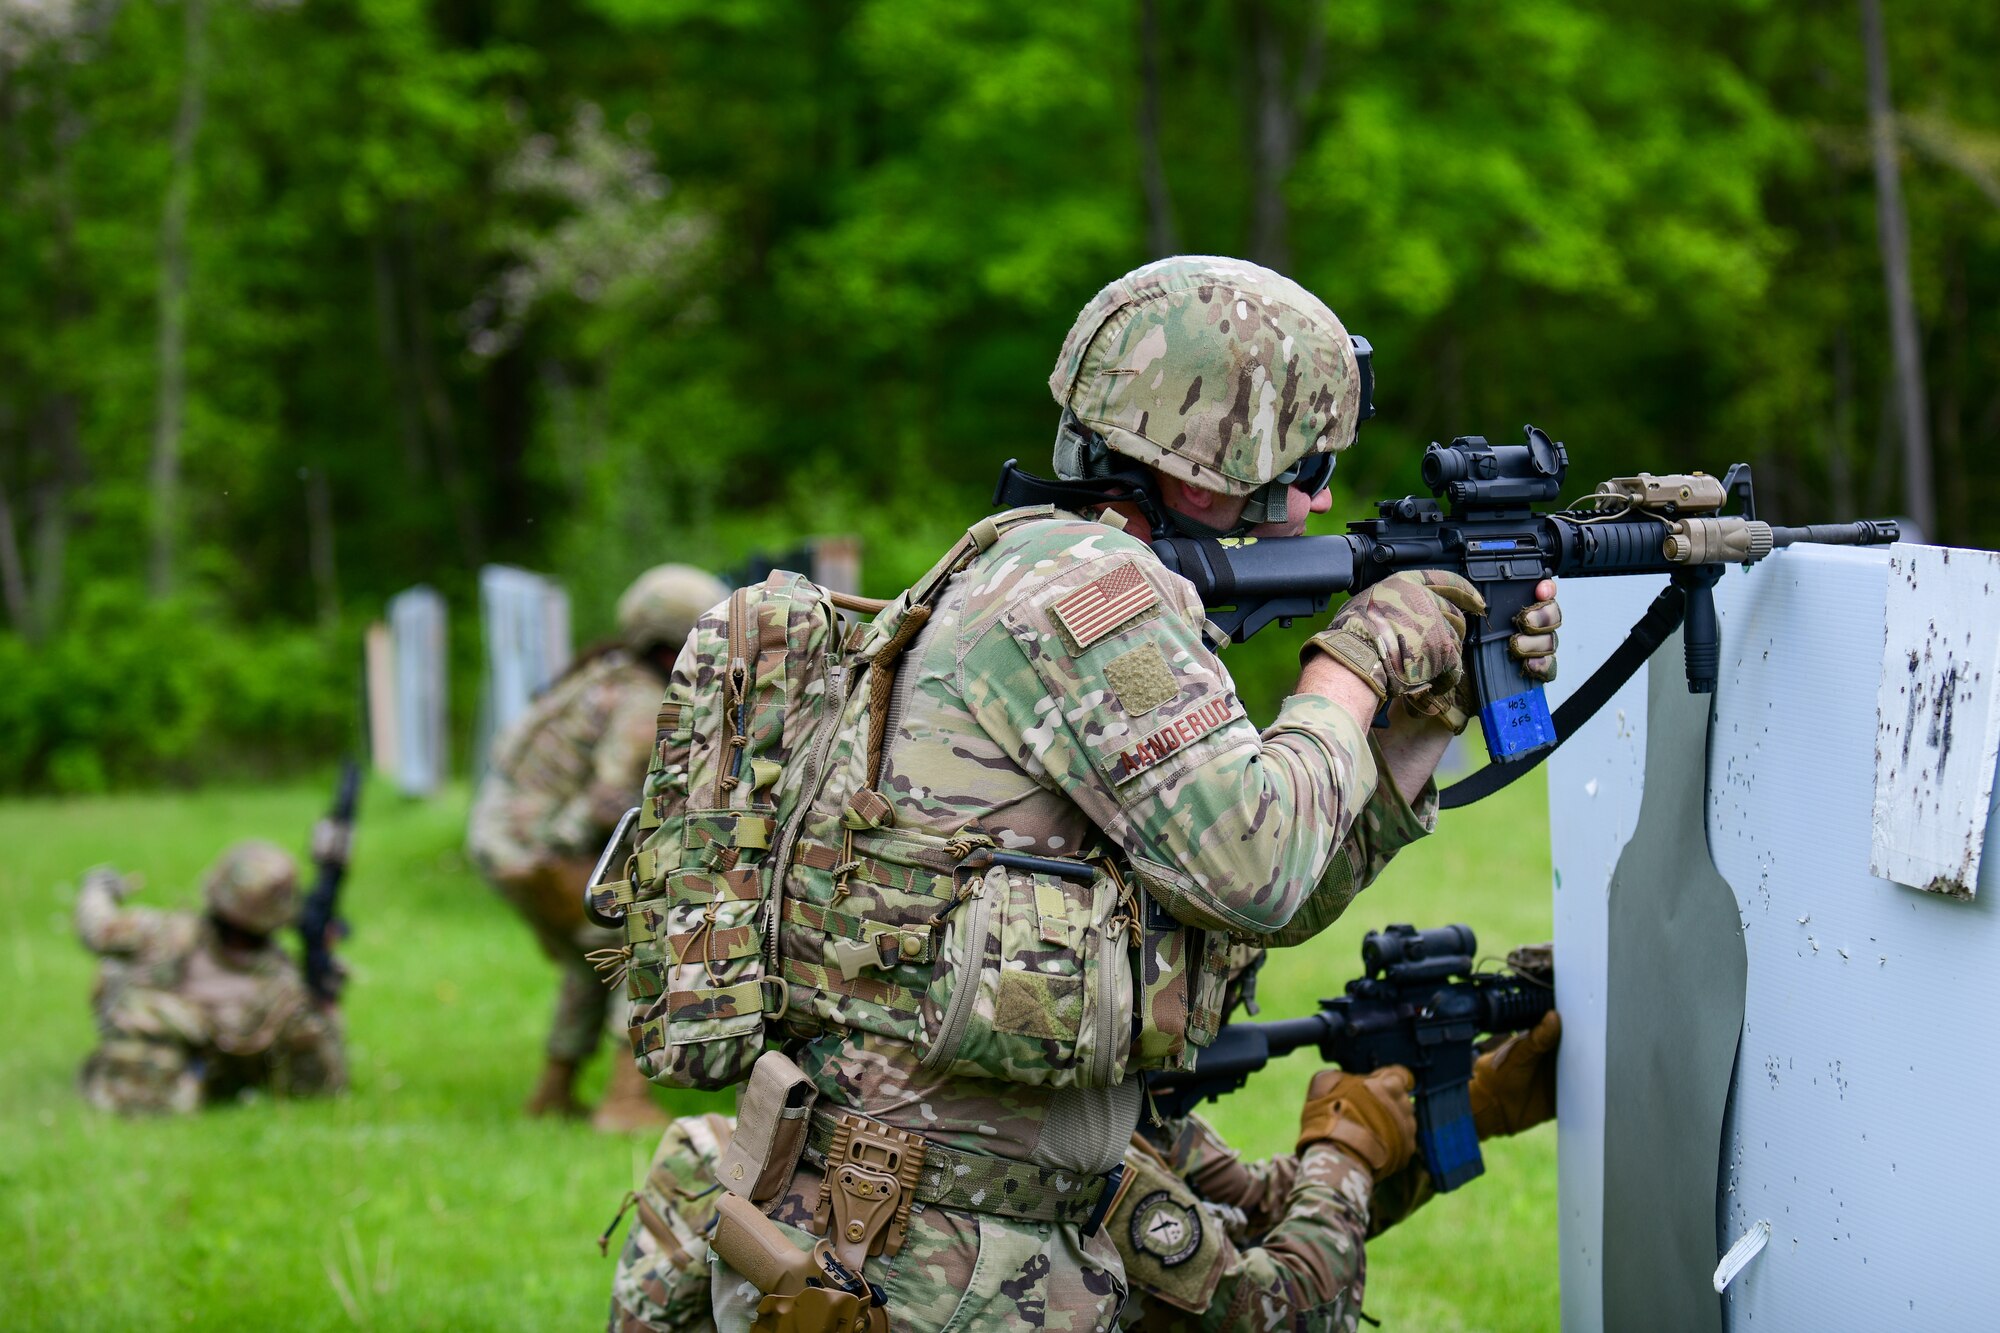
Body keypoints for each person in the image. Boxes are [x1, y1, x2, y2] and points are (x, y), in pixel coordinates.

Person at [699, 255, 1560, 1331]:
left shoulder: (1041, 571)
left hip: (949, 1231)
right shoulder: (1091, 595)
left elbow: (1269, 897)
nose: (1320, 496)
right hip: (933, 1256)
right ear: (1213, 458)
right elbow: (1255, 863)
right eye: (1306, 461)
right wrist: (1355, 663)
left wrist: (1423, 713)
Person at [604, 1007, 1561, 1332]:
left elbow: (1260, 1213)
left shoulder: (735, 1149)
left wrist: (1469, 1106)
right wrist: (1347, 1146)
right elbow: (1286, 1304)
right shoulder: (1067, 1165)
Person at [468, 562, 729, 1131]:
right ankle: (624, 1099)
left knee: (596, 952)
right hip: (535, 851)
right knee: (654, 932)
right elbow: (608, 799)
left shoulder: (604, 675)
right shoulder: (641, 701)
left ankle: (552, 1092)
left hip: (505, 844)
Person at [75, 840, 346, 1114]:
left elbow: (98, 927)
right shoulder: (286, 986)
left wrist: (98, 888)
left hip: (148, 1071)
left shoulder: (165, 933)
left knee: (115, 969)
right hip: (221, 1082)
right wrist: (326, 1004)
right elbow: (324, 1084)